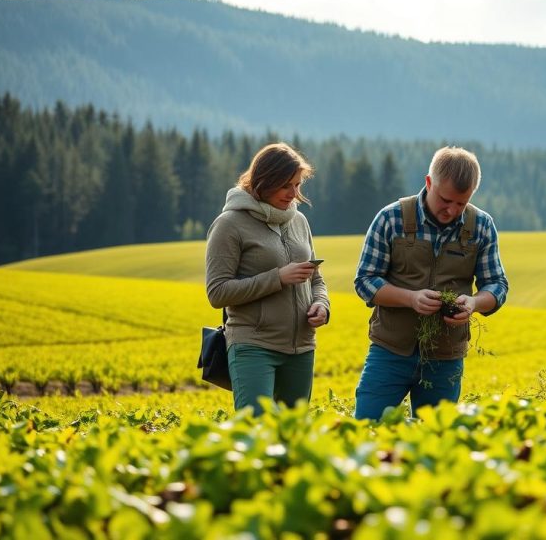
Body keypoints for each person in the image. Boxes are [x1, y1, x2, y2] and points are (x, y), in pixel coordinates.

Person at [353, 146, 509, 420]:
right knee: (368, 425)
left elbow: (497, 285)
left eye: (461, 203)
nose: (451, 210)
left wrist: (473, 302)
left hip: (446, 358)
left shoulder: (482, 225)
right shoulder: (391, 218)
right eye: (445, 199)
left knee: (435, 440)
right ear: (429, 183)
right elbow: (365, 281)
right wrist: (410, 298)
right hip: (390, 351)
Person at [205, 142, 329, 415]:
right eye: (286, 186)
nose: (294, 194)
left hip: (302, 347)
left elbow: (316, 279)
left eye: (297, 185)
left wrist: (322, 305)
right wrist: (278, 278)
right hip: (253, 345)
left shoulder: (299, 222)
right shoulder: (229, 224)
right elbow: (217, 292)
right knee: (255, 430)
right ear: (263, 181)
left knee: (293, 434)